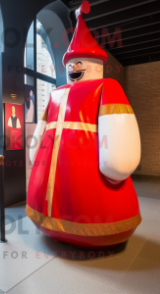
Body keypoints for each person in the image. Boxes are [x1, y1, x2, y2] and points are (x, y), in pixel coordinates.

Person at [26, 1, 141, 249]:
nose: (75, 68)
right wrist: (35, 151)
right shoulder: (56, 93)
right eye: (71, 64)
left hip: (87, 163)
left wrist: (116, 161)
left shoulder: (106, 87)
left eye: (81, 62)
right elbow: (43, 125)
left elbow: (117, 124)